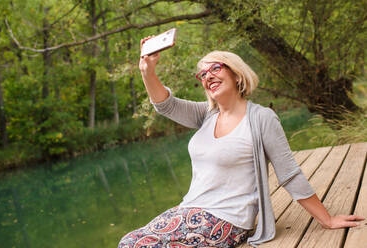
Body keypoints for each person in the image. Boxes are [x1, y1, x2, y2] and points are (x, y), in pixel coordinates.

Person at [117, 37, 365, 248]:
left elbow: (289, 174)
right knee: (128, 241)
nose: (208, 76)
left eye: (215, 68)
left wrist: (327, 220)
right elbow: (165, 105)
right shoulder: (206, 114)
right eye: (202, 74)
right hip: (188, 210)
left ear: (236, 73)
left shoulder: (261, 118)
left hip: (228, 218)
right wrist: (147, 71)